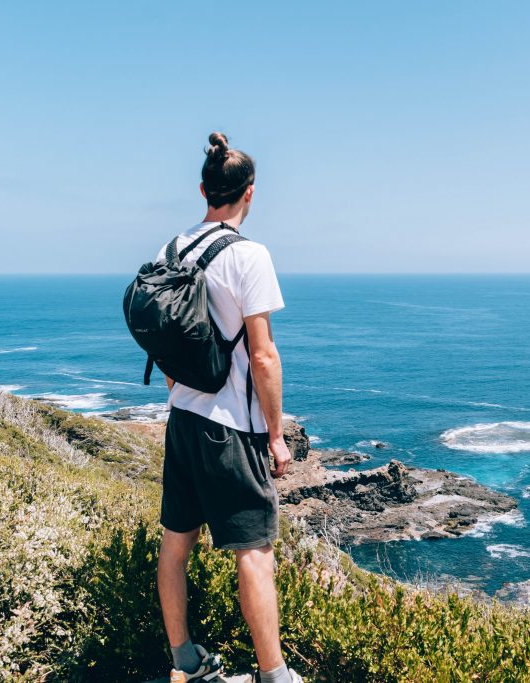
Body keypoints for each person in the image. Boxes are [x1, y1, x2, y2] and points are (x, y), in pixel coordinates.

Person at [155, 132, 302, 683]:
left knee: (176, 544)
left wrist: (177, 384)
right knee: (255, 551)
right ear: (250, 194)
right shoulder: (248, 255)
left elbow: (159, 334)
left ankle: (186, 662)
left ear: (203, 190)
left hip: (182, 420)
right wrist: (276, 434)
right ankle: (273, 674)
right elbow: (263, 356)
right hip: (229, 428)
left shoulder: (170, 249)